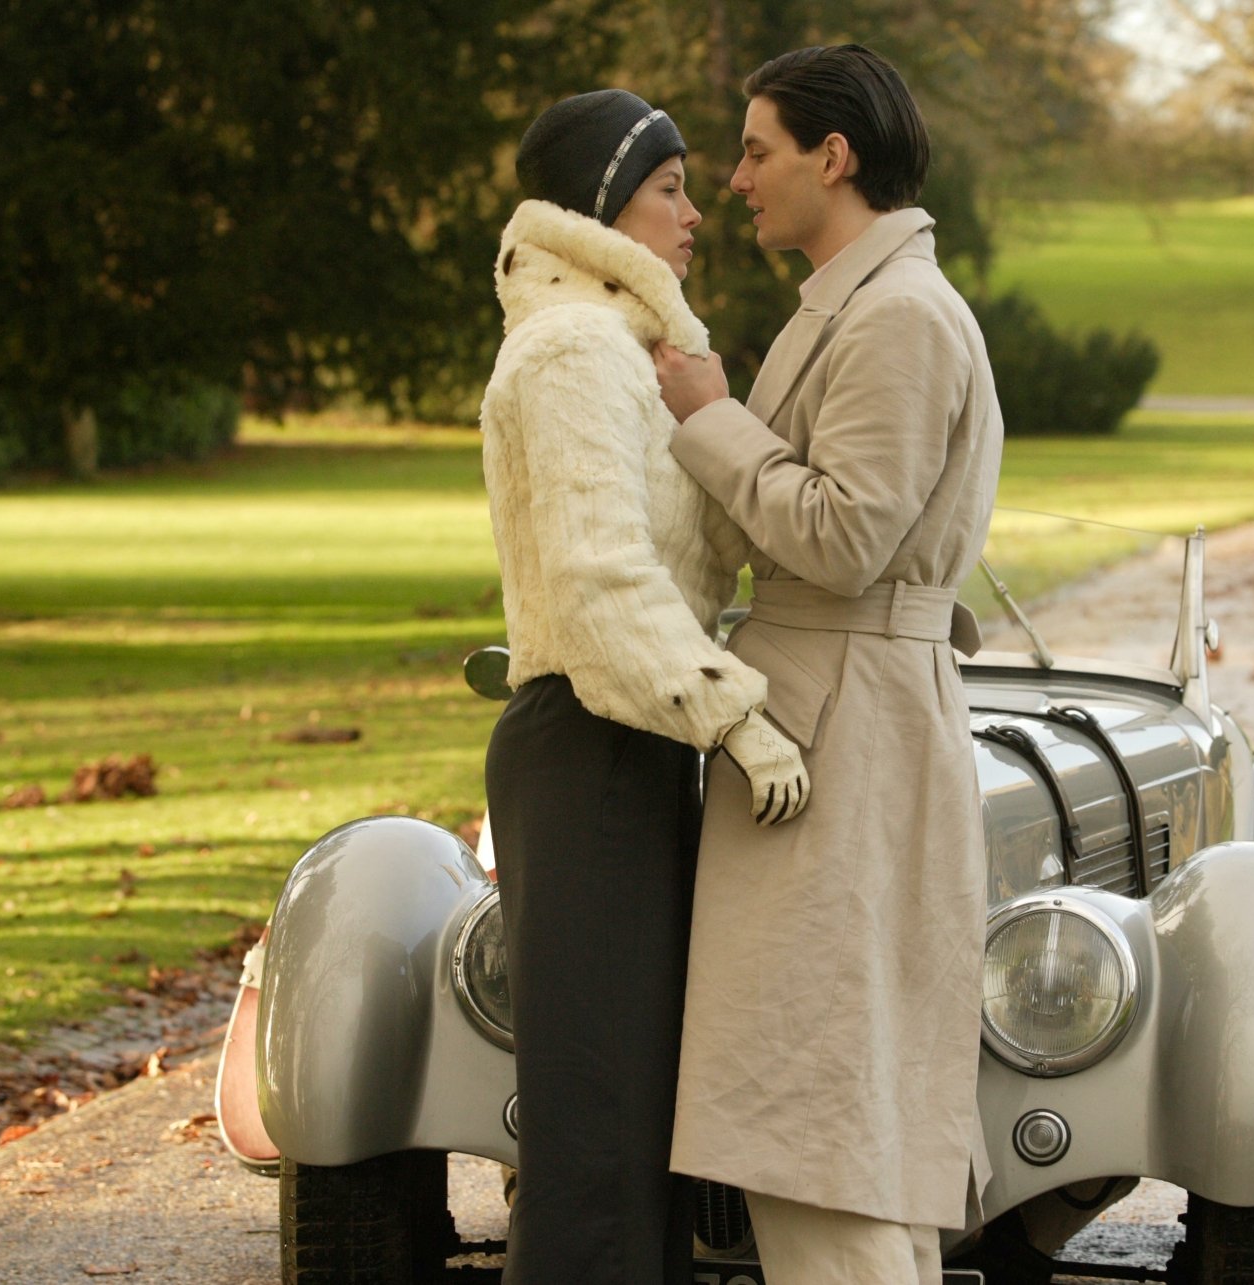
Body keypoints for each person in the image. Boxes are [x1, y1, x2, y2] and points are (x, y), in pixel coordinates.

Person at [653, 45, 1005, 1285]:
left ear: (834, 156)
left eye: (758, 151)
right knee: (840, 1122)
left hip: (843, 725)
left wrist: (709, 415)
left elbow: (846, 539)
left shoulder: (899, 315)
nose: (737, 180)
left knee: (819, 1127)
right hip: (838, 706)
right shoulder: (858, 304)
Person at [479, 89, 811, 1285]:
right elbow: (598, 577)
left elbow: (707, 550)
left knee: (642, 1131)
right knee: (599, 1141)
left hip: (635, 739)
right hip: (590, 744)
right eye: (670, 187)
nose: (696, 211)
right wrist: (735, 716)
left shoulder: (624, 353)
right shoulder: (571, 352)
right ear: (606, 205)